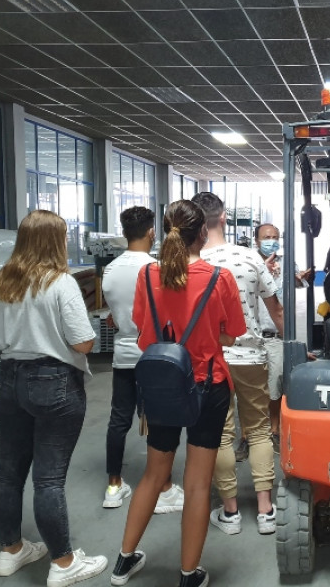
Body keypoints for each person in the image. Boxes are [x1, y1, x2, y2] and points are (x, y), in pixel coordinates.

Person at [112, 200, 245, 587]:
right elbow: (231, 333)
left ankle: (123, 562)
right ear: (202, 232)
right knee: (197, 483)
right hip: (208, 385)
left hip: (161, 384)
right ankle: (189, 575)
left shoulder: (147, 276)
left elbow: (144, 330)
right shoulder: (219, 278)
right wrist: (203, 336)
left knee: (154, 475)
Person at [0, 210, 107, 587]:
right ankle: (64, 564)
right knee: (48, 479)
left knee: (8, 471)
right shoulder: (61, 283)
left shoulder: (1, 281)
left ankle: (11, 551)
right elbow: (84, 342)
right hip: (53, 382)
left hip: (7, 382)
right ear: (56, 241)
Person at [190, 192, 285, 537]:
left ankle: (230, 511)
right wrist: (291, 345)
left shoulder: (192, 262)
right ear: (224, 217)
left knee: (220, 434)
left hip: (209, 360)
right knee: (259, 429)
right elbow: (275, 309)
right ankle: (266, 509)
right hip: (250, 356)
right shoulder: (250, 258)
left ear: (195, 221)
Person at [101, 206, 184, 512]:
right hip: (155, 356)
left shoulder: (109, 271)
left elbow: (117, 311)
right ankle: (162, 486)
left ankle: (113, 485)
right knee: (160, 419)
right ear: (152, 232)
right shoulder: (156, 269)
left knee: (118, 419)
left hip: (123, 353)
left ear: (124, 233)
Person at [254, 222, 312, 450]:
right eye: (266, 236)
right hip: (252, 333)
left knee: (276, 385)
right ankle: (247, 437)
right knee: (251, 388)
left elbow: (295, 285)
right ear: (256, 240)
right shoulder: (251, 262)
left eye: (275, 236)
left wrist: (301, 278)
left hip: (277, 333)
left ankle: (274, 430)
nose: (271, 241)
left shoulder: (286, 263)